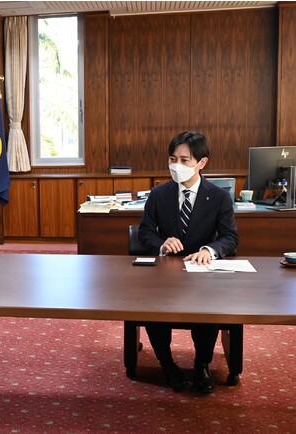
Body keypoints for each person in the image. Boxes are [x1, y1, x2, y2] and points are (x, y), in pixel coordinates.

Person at [138, 131, 238, 394]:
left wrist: (209, 250)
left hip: (202, 273)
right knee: (153, 308)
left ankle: (201, 364)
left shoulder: (219, 197)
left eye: (184, 160)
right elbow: (145, 232)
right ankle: (167, 364)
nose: (176, 166)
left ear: (201, 163)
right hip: (166, 274)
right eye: (173, 159)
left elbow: (230, 237)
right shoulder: (159, 194)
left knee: (207, 310)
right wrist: (162, 243)